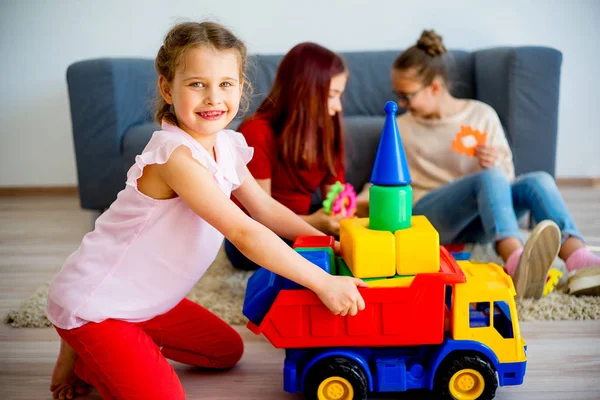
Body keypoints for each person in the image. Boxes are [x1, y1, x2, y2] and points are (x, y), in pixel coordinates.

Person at [46, 22, 366, 400]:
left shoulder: (228, 145)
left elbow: (263, 207)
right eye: (197, 84)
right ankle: (83, 340)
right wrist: (323, 281)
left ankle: (101, 344)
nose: (214, 98)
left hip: (146, 300)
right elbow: (245, 232)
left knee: (226, 352)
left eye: (226, 84)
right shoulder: (173, 156)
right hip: (98, 300)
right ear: (167, 88)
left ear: (242, 87)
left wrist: (326, 241)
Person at [386, 29, 600, 299]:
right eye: (398, 95)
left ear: (435, 88)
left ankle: (580, 261)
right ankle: (516, 262)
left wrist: (495, 163)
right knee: (489, 178)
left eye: (407, 96)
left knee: (538, 180)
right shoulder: (401, 127)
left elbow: (505, 181)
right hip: (429, 216)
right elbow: (388, 179)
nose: (402, 103)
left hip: (483, 220)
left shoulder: (481, 115)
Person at [226, 42, 368, 271]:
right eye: (332, 95)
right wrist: (315, 223)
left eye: (339, 96)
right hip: (251, 233)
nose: (338, 107)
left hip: (302, 221)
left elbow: (337, 197)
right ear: (305, 92)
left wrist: (345, 215)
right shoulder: (257, 131)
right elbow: (260, 214)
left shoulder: (327, 130)